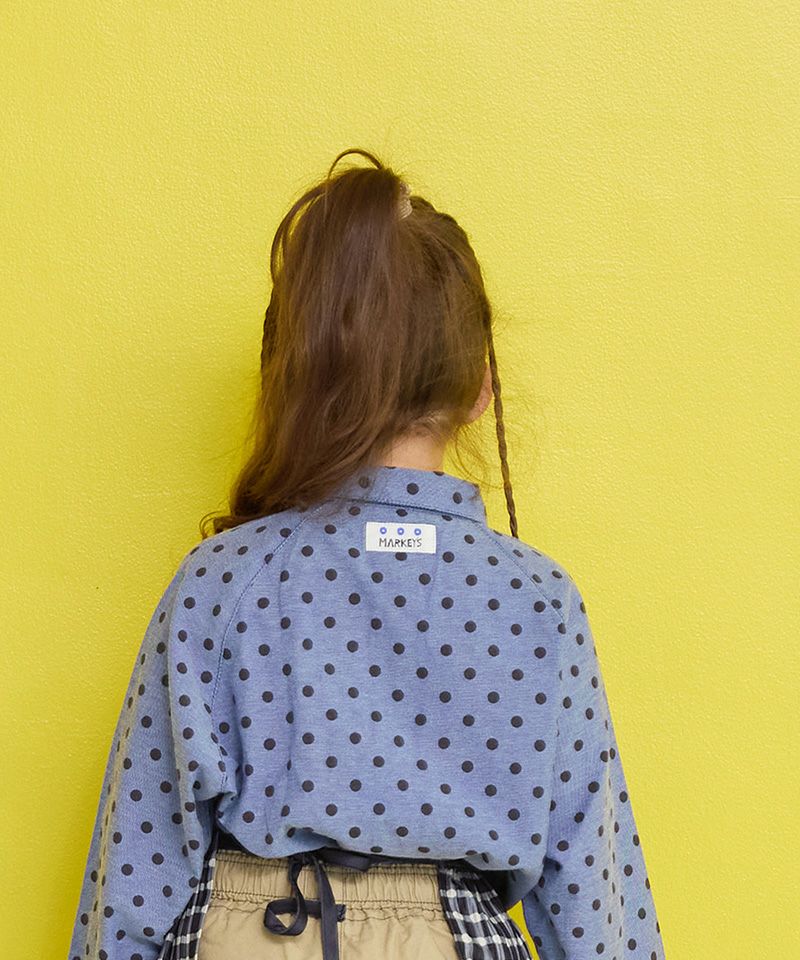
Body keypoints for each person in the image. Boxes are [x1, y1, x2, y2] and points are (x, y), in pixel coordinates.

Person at [68, 147, 666, 960]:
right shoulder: (538, 599)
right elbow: (594, 894)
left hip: (256, 928)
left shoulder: (226, 579)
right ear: (480, 389)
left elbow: (139, 863)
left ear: (301, 378)